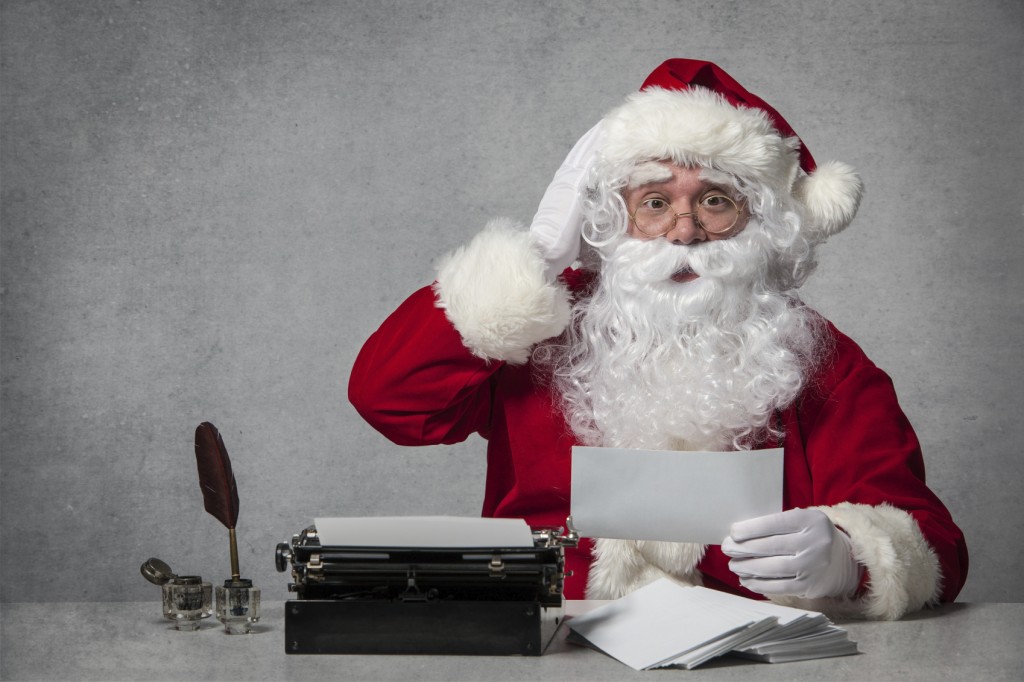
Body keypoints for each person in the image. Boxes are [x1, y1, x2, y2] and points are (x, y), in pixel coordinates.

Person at [349, 59, 968, 620]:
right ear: (612, 217)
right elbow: (389, 398)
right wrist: (532, 258)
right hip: (554, 655)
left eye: (716, 201)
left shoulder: (823, 361)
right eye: (653, 201)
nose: (684, 232)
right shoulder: (539, 327)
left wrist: (853, 560)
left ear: (764, 222)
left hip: (751, 661)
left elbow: (932, 540)